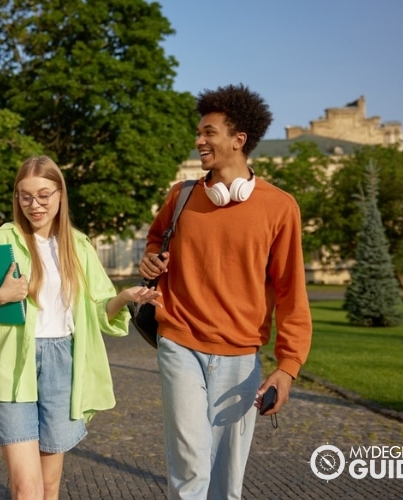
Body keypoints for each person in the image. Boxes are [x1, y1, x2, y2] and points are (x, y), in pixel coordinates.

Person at [139, 84, 312, 499]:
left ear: (239, 140)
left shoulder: (280, 207)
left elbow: (291, 292)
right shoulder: (180, 196)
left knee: (227, 475)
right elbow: (156, 239)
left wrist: (287, 368)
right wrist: (150, 259)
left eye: (209, 132)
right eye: (198, 132)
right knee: (189, 462)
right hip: (179, 341)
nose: (199, 140)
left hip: (241, 355)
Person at [0, 156, 160, 499]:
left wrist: (124, 296)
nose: (35, 205)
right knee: (26, 487)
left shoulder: (77, 245)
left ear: (61, 193)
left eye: (44, 195)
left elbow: (96, 312)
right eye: (25, 196)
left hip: (63, 362)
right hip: (12, 364)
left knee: (49, 486)